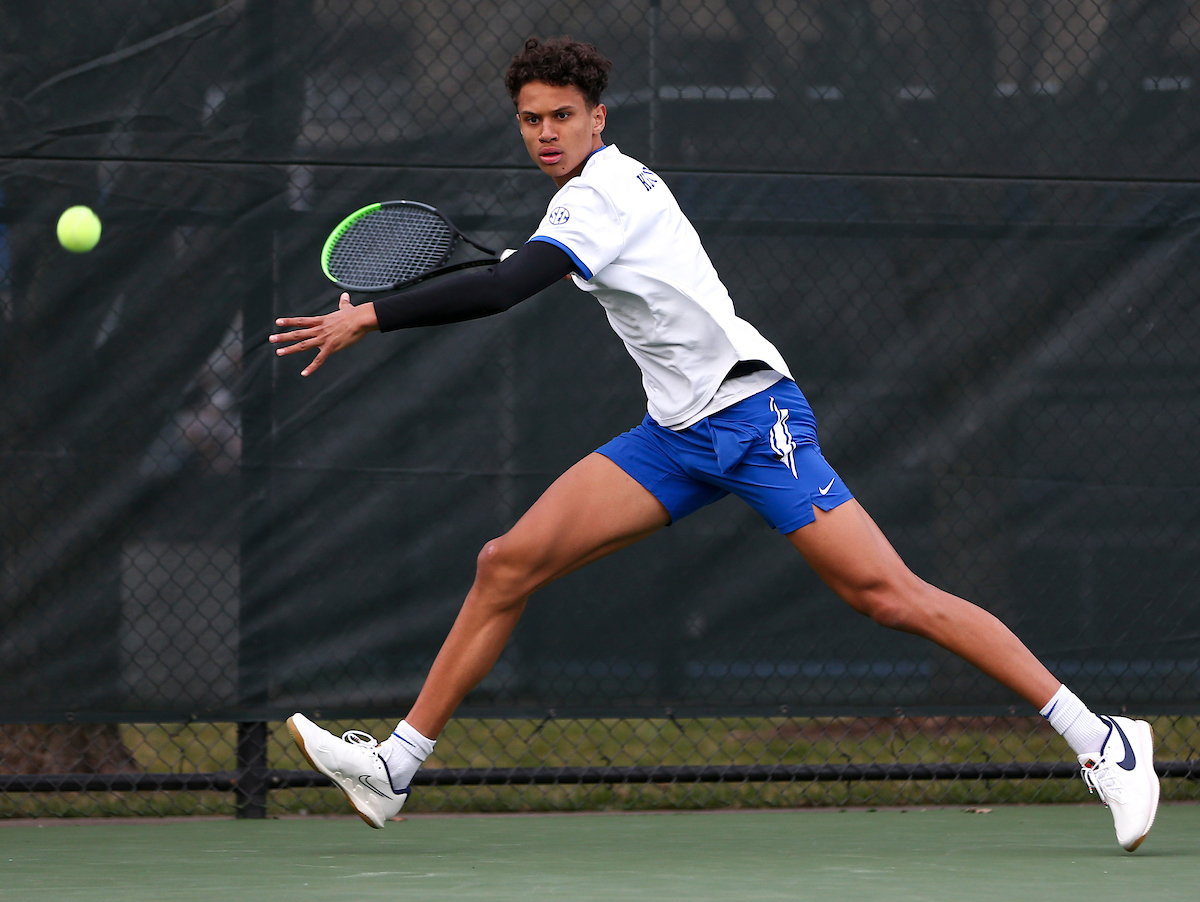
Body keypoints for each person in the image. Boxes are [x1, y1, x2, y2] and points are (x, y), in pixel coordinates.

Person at [272, 37, 1159, 850]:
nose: (545, 133)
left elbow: (508, 291)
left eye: (562, 116)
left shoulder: (602, 192)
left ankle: (1103, 740)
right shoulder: (589, 199)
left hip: (751, 419)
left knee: (888, 595)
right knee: (506, 563)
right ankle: (396, 766)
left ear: (597, 118)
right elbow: (538, 269)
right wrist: (490, 274)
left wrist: (370, 318)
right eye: (531, 119)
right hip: (672, 436)